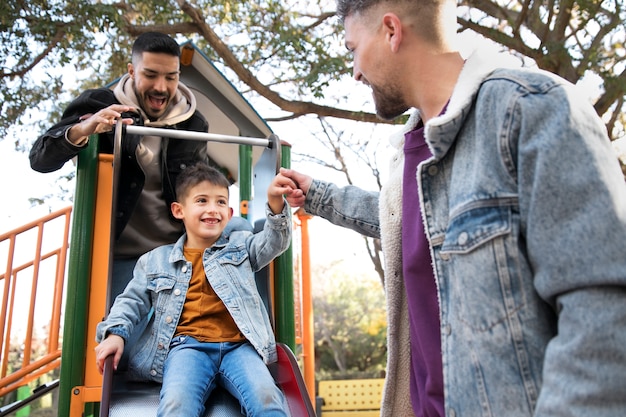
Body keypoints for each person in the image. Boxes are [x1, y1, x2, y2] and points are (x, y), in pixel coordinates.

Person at [281, 0, 626, 416]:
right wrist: (316, 194)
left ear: (391, 31)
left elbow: (603, 310)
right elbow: (403, 224)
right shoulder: (410, 152)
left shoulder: (529, 108)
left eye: (353, 49)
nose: (354, 71)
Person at [29, 31, 245, 300]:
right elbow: (40, 159)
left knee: (244, 233)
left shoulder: (193, 123)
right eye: (151, 75)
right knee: (125, 329)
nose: (161, 87)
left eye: (171, 77)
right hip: (121, 254)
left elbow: (198, 185)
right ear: (132, 71)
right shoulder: (100, 105)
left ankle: (262, 337)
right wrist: (83, 129)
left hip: (175, 252)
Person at [95, 163, 295, 416]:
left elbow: (275, 241)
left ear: (230, 211)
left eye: (221, 202)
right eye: (202, 200)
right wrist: (115, 334)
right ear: (179, 210)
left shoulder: (241, 248)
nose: (213, 209)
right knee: (176, 405)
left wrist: (276, 203)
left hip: (240, 348)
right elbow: (131, 301)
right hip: (187, 348)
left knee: (267, 400)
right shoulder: (155, 260)